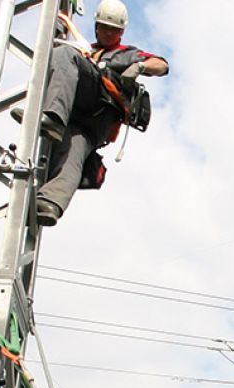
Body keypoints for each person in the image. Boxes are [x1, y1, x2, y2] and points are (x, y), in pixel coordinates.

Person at [31, 0, 169, 226]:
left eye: (114, 30)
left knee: (66, 55)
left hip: (99, 109)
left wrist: (139, 67)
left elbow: (162, 65)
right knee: (73, 151)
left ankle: (53, 119)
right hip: (74, 115)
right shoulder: (87, 50)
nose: (108, 32)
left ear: (121, 32)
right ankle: (51, 203)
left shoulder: (125, 54)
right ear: (96, 26)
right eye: (104, 27)